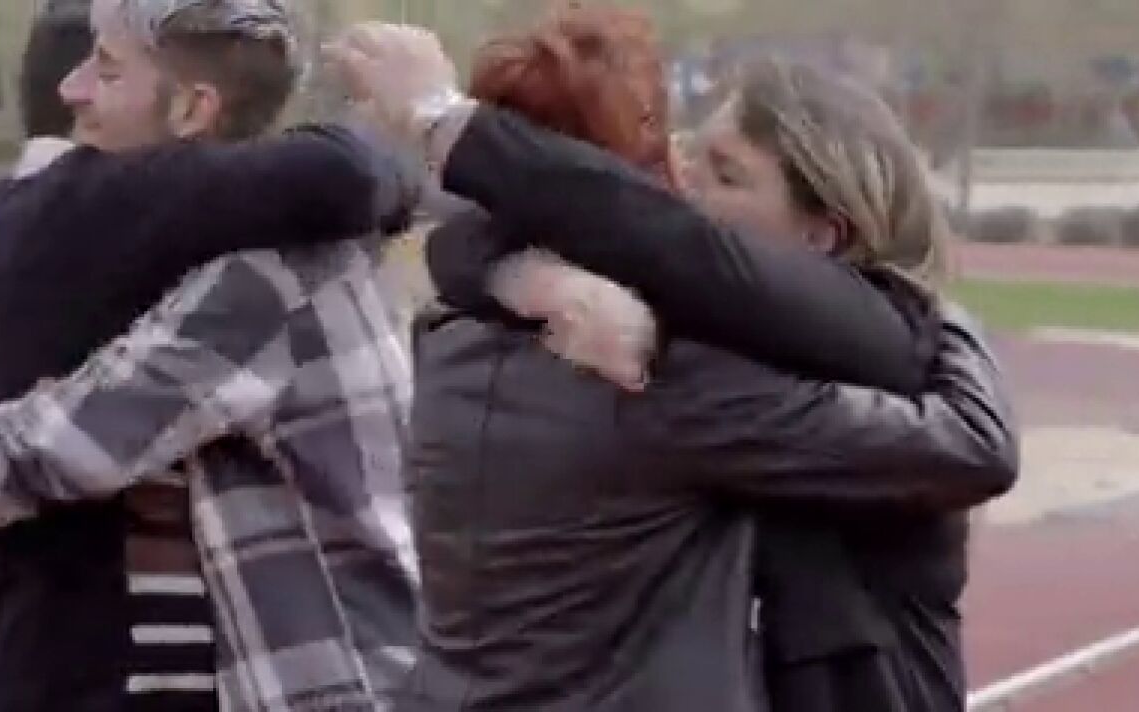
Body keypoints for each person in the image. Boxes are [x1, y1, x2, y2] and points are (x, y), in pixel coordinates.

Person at [329, 17, 1016, 711]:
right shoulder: (665, 378)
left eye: (725, 174)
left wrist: (509, 268)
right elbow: (969, 443)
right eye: (684, 157)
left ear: (823, 233)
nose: (685, 189)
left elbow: (494, 241)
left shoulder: (447, 332)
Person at [0, 1, 419, 710]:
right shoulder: (247, 245)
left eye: (107, 69)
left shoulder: (269, 274)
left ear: (192, 108)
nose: (71, 89)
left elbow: (88, 432)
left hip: (323, 682)